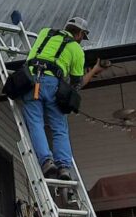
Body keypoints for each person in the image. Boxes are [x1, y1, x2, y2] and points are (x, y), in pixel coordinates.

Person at [21, 17, 105, 181]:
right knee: (59, 128)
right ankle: (64, 167)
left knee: (35, 123)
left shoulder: (45, 33)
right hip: (53, 85)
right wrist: (94, 71)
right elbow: (76, 84)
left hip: (30, 81)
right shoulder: (77, 50)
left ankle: (46, 162)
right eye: (83, 37)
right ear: (80, 33)